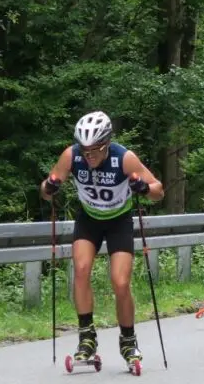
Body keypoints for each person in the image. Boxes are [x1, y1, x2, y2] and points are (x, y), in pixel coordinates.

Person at [40, 111, 164, 369]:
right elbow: (46, 188)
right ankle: (87, 338)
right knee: (81, 269)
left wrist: (143, 187)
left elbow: (158, 191)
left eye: (95, 150)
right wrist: (49, 187)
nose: (89, 155)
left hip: (119, 221)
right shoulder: (71, 156)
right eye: (85, 150)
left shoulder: (124, 158)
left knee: (120, 282)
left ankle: (128, 340)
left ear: (107, 144)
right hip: (89, 220)